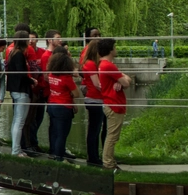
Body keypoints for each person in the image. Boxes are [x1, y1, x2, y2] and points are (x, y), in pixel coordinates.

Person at [97, 38, 131, 170]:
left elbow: (125, 80)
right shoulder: (108, 66)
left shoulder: (104, 65)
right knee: (112, 136)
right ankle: (108, 163)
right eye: (114, 47)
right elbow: (127, 83)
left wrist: (119, 79)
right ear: (110, 50)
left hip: (111, 103)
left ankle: (109, 161)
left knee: (112, 135)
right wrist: (121, 79)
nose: (116, 49)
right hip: (114, 104)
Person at [45, 48, 81, 161]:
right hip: (63, 107)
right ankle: (59, 158)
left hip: (52, 105)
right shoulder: (66, 78)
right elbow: (77, 94)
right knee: (62, 135)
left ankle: (54, 153)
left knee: (55, 132)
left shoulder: (51, 75)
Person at [5, 32, 32, 157]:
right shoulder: (19, 55)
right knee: (19, 121)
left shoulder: (13, 53)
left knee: (17, 120)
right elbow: (22, 74)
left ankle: (16, 148)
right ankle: (15, 150)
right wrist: (32, 81)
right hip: (21, 90)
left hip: (15, 89)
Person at [80, 39, 106, 167]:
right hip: (94, 99)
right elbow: (96, 84)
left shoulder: (92, 63)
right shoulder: (90, 64)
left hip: (96, 98)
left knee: (95, 128)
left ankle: (94, 156)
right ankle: (92, 157)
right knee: (94, 130)